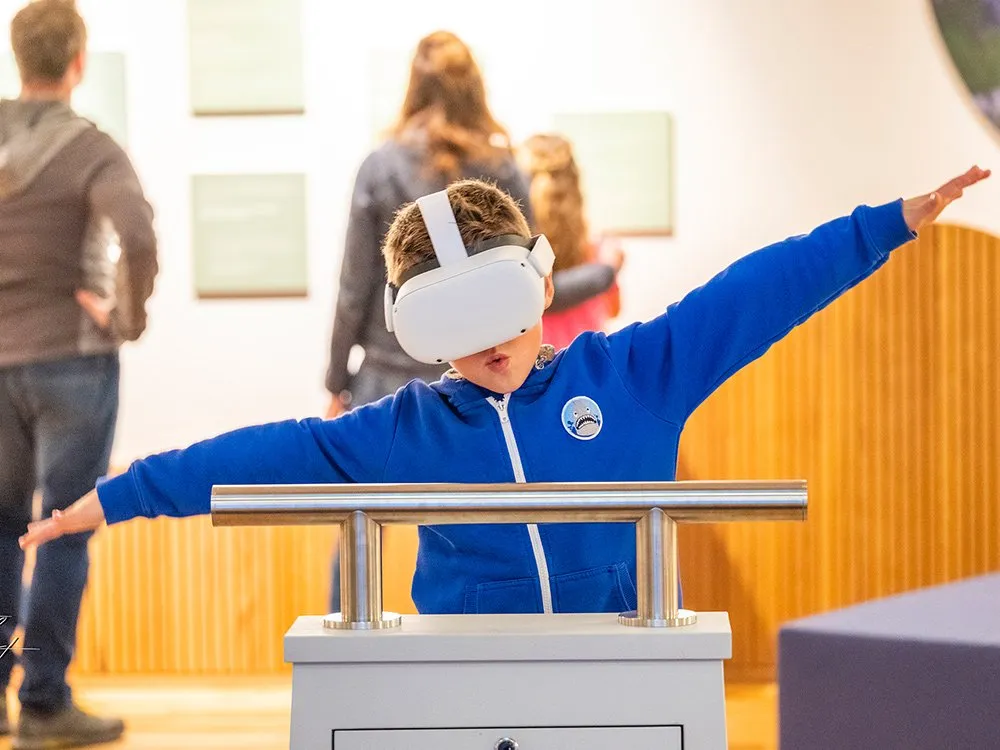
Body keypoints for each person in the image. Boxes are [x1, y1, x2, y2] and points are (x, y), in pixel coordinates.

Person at [18, 168, 989, 622]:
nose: (488, 347)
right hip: (460, 675)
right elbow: (256, 455)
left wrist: (885, 225)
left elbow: (759, 289)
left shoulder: (636, 374)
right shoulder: (402, 433)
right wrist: (115, 497)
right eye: (456, 327)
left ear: (538, 284)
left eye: (500, 313)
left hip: (624, 658)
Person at [323, 30, 619, 610]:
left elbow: (354, 289)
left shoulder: (379, 167)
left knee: (358, 528)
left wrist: (337, 380)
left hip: (385, 377)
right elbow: (530, 287)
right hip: (478, 377)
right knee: (490, 528)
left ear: (414, 85)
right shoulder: (500, 167)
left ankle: (348, 658)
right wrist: (604, 274)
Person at [0, 1, 158, 747]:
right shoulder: (92, 148)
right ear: (77, 62)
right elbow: (137, 234)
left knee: (0, 530)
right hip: (71, 361)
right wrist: (125, 317)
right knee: (62, 530)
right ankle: (43, 704)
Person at [519, 133, 625, 350]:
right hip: (587, 368)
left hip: (531, 372)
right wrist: (611, 267)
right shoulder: (599, 252)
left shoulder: (518, 253)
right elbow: (613, 309)